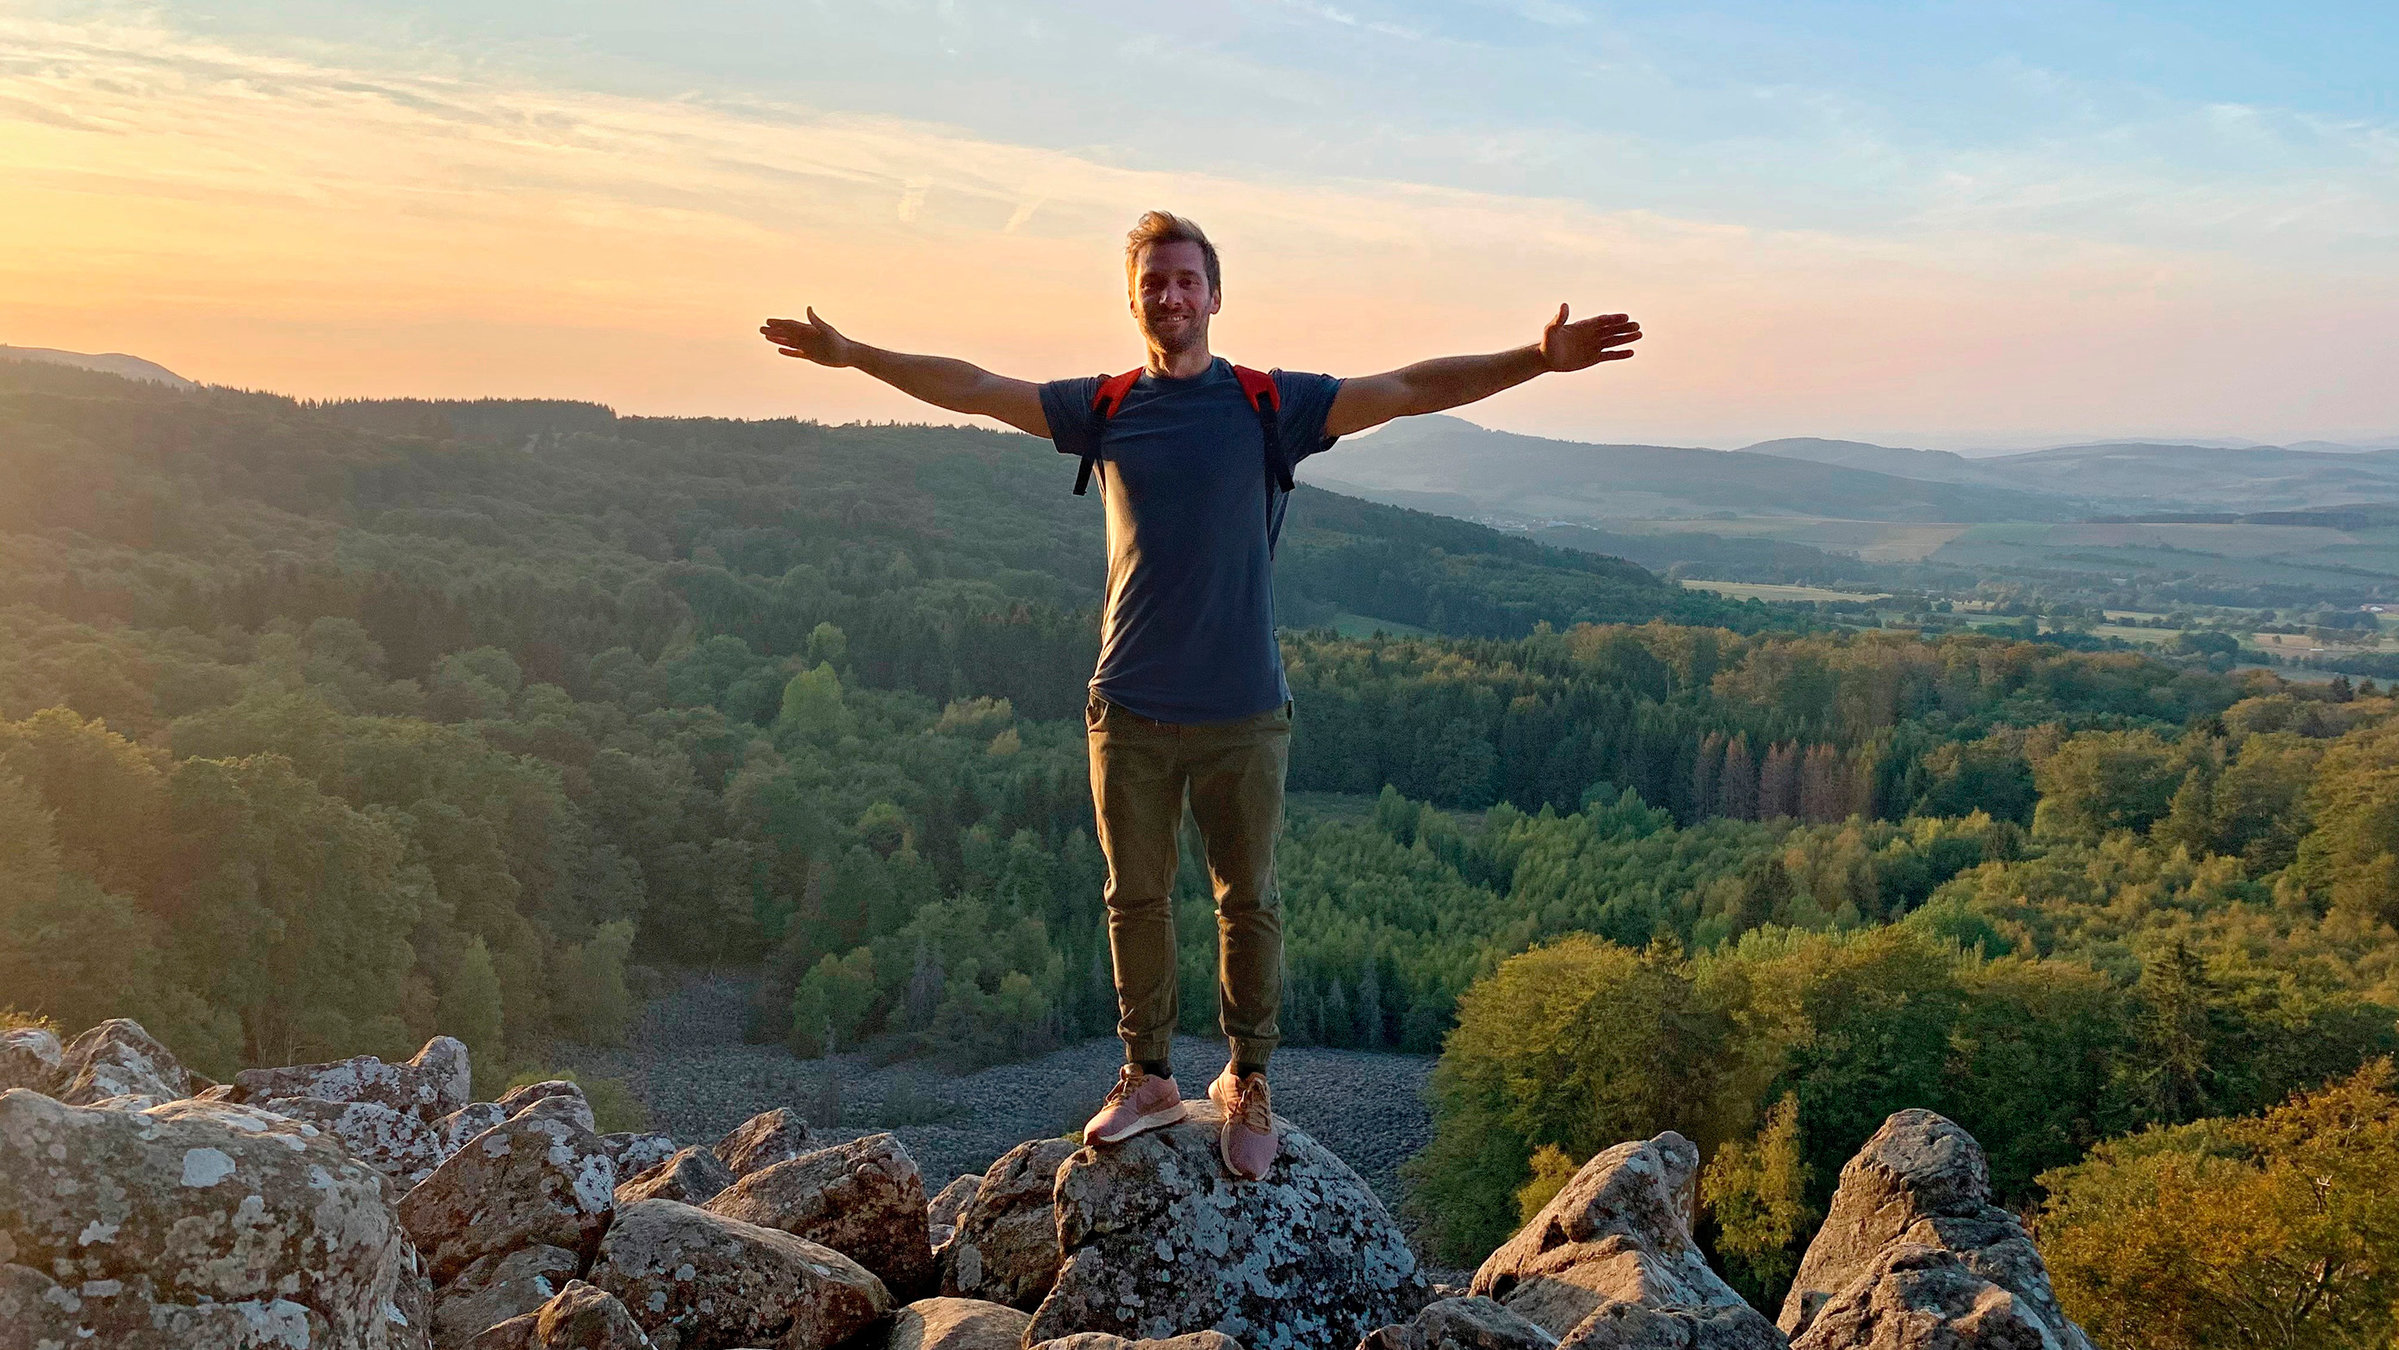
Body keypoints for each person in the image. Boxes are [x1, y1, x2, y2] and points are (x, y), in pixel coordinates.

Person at [760, 211, 1641, 1179]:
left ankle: (1246, 1080)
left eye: (1186, 281)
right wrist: (851, 354)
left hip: (1242, 711)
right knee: (1132, 899)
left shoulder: (1269, 405)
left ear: (1215, 295)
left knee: (1246, 902)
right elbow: (971, 388)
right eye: (1154, 283)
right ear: (1133, 299)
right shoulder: (1101, 405)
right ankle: (1144, 1077)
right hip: (1128, 707)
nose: (1171, 297)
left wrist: (1534, 357)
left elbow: (1406, 389)